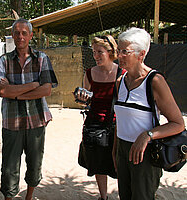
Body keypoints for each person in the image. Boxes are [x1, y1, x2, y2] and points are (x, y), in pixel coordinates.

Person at [113, 27, 185, 200]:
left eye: (125, 51)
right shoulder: (119, 81)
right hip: (123, 151)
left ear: (141, 54)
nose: (119, 56)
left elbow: (178, 124)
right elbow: (119, 121)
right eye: (118, 50)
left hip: (144, 154)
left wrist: (147, 135)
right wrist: (115, 151)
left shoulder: (154, 81)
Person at [0, 18, 58, 200]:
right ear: (13, 36)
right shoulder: (4, 60)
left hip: (37, 121)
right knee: (9, 168)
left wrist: (14, 93)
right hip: (11, 122)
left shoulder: (42, 58)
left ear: (31, 35)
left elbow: (46, 89)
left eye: (24, 33)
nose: (20, 36)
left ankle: (28, 198)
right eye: (17, 33)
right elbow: (2, 90)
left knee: (34, 164)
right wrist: (33, 85)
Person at [75, 35, 122, 200]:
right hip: (94, 125)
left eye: (99, 52)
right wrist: (82, 100)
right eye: (94, 52)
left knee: (118, 163)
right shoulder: (90, 73)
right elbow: (85, 101)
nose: (95, 56)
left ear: (110, 52)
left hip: (117, 126)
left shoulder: (121, 73)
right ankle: (104, 197)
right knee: (99, 164)